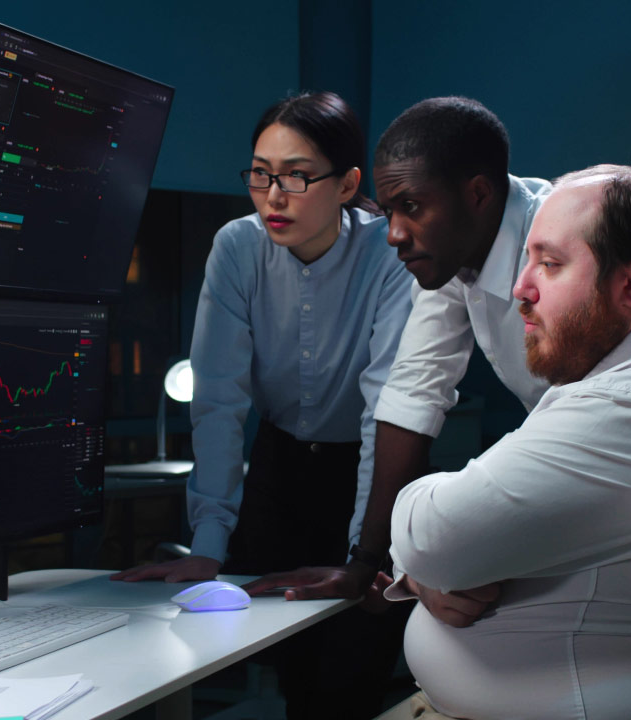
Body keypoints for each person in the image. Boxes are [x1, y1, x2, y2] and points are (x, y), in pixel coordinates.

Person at [379, 165, 631, 720]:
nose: (520, 289)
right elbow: (447, 547)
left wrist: (423, 529)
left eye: (550, 265)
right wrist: (431, 567)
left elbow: (434, 534)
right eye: (526, 259)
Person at [111, 91, 413, 718]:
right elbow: (219, 399)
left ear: (348, 183)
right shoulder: (237, 247)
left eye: (297, 176)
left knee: (352, 673)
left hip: (376, 467)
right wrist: (209, 542)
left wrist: (364, 552)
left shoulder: (390, 252)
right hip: (279, 469)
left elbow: (385, 406)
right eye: (260, 174)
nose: (273, 196)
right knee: (290, 673)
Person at [244, 96, 553, 602]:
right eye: (387, 211)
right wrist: (364, 563)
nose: (393, 235)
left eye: (410, 207)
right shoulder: (452, 253)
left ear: (477, 194)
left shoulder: (562, 238)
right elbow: (412, 392)